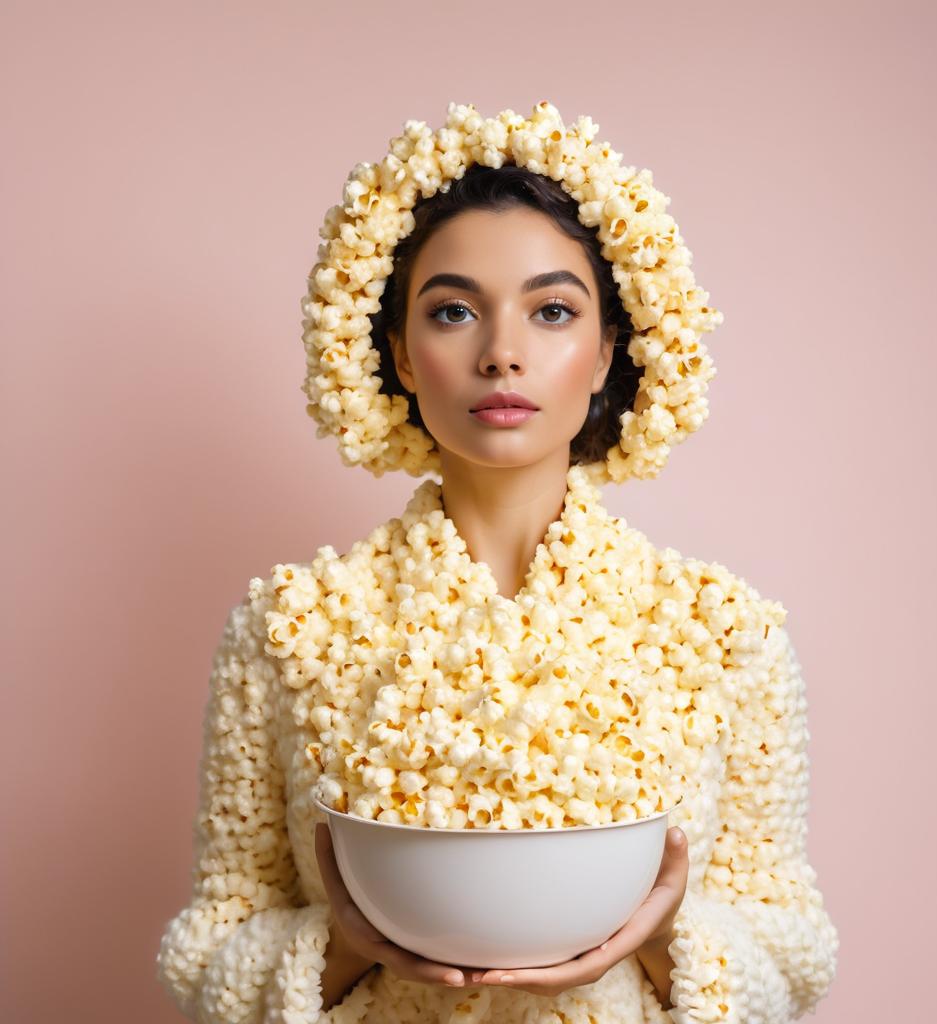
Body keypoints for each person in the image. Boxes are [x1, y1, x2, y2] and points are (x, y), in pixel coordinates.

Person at [156, 102, 839, 1023]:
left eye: (552, 311)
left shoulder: (724, 633)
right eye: (453, 312)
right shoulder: (288, 628)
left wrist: (662, 934)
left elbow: (790, 954)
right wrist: (347, 947)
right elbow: (207, 952)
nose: (502, 355)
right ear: (397, 351)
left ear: (607, 352)